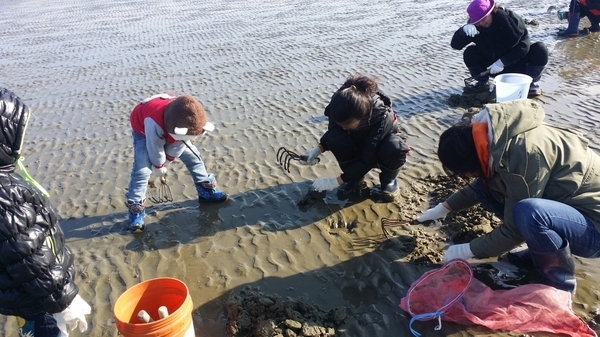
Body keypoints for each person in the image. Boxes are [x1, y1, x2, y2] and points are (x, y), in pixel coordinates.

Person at [416, 99, 600, 292]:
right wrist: (443, 208)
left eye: (465, 173)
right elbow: (480, 185)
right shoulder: (496, 139)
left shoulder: (525, 153)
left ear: (471, 161)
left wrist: (468, 249)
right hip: (569, 211)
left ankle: (560, 285)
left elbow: (515, 228)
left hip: (593, 227)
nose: (466, 177)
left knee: (530, 214)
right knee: (486, 189)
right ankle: (539, 252)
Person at [0, 88, 90, 336]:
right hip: (41, 300)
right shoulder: (5, 194)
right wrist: (64, 300)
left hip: (22, 293)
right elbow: (27, 254)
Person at [126, 93, 228, 232]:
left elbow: (178, 144)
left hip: (176, 130)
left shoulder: (190, 118)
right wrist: (158, 166)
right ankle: (136, 210)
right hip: (144, 131)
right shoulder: (153, 122)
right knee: (142, 170)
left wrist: (168, 160)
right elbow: (154, 148)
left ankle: (206, 191)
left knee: (194, 157)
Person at [300, 75, 410, 202]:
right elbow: (333, 132)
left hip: (379, 146)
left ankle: (388, 180)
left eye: (347, 125)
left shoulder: (382, 116)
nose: (344, 128)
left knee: (394, 148)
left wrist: (337, 181)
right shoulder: (339, 104)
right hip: (357, 141)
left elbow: (368, 157)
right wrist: (318, 149)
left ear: (363, 118)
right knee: (336, 138)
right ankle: (355, 179)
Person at [451, 0, 549, 98]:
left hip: (517, 64)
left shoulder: (510, 18)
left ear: (491, 11)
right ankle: (482, 83)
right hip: (491, 68)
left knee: (540, 49)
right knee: (469, 52)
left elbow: (524, 45)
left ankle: (532, 83)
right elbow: (456, 45)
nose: (481, 22)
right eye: (477, 20)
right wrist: (462, 31)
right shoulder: (474, 28)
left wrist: (502, 62)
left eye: (483, 18)